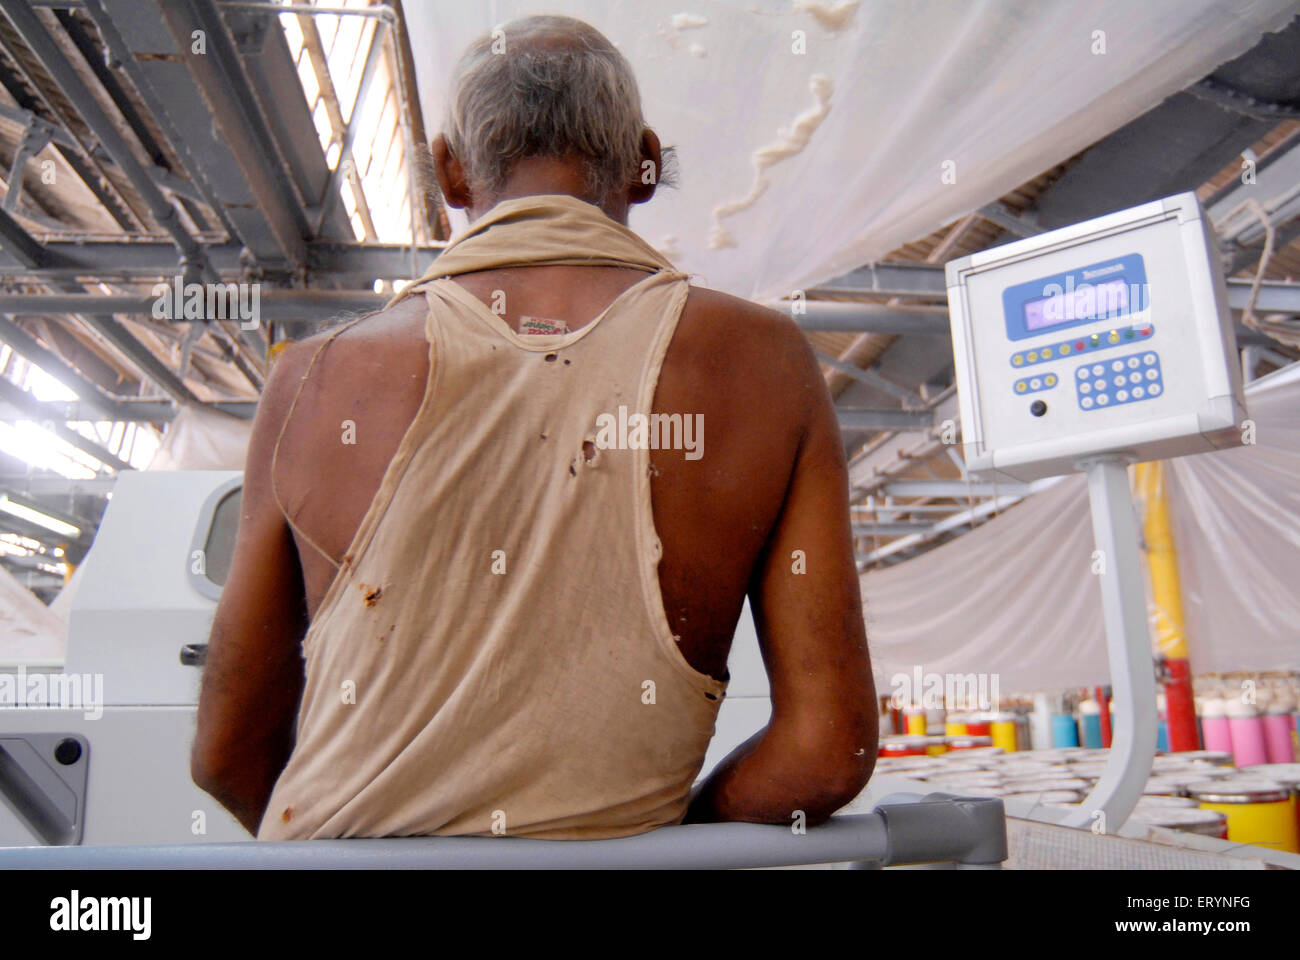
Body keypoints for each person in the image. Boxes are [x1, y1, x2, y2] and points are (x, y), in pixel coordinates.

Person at [192, 13, 875, 841]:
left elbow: (226, 754)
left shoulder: (311, 381)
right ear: (645, 165)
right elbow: (829, 750)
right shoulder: (767, 365)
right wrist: (674, 848)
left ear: (449, 170)